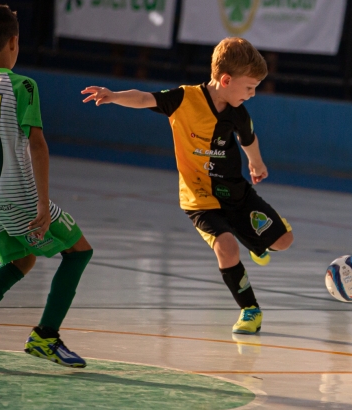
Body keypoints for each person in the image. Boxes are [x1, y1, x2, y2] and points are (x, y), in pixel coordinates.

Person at [79, 38, 293, 335]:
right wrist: (113, 95)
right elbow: (144, 99)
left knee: (284, 242)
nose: (253, 94)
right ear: (226, 80)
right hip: (199, 199)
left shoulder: (238, 113)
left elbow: (248, 139)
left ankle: (255, 242)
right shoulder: (184, 99)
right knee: (226, 247)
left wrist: (256, 164)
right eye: (249, 87)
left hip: (235, 193)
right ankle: (250, 310)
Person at [0, 4, 95, 368]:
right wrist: (42, 203)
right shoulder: (22, 85)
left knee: (20, 260)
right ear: (14, 42)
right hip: (18, 194)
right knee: (79, 252)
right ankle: (46, 336)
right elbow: (37, 145)